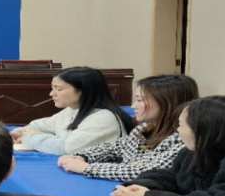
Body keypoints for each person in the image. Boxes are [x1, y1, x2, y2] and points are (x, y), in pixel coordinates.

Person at [57, 74, 198, 180]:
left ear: (166, 103)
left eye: (140, 100)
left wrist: (88, 168)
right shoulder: (144, 129)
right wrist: (83, 156)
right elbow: (115, 148)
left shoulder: (183, 139)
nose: (133, 106)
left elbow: (146, 171)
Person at [10, 67, 132, 154]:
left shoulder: (103, 118)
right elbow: (36, 126)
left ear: (83, 91)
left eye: (59, 89)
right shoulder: (71, 110)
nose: (52, 93)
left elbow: (67, 148)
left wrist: (29, 136)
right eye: (52, 88)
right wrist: (19, 133)